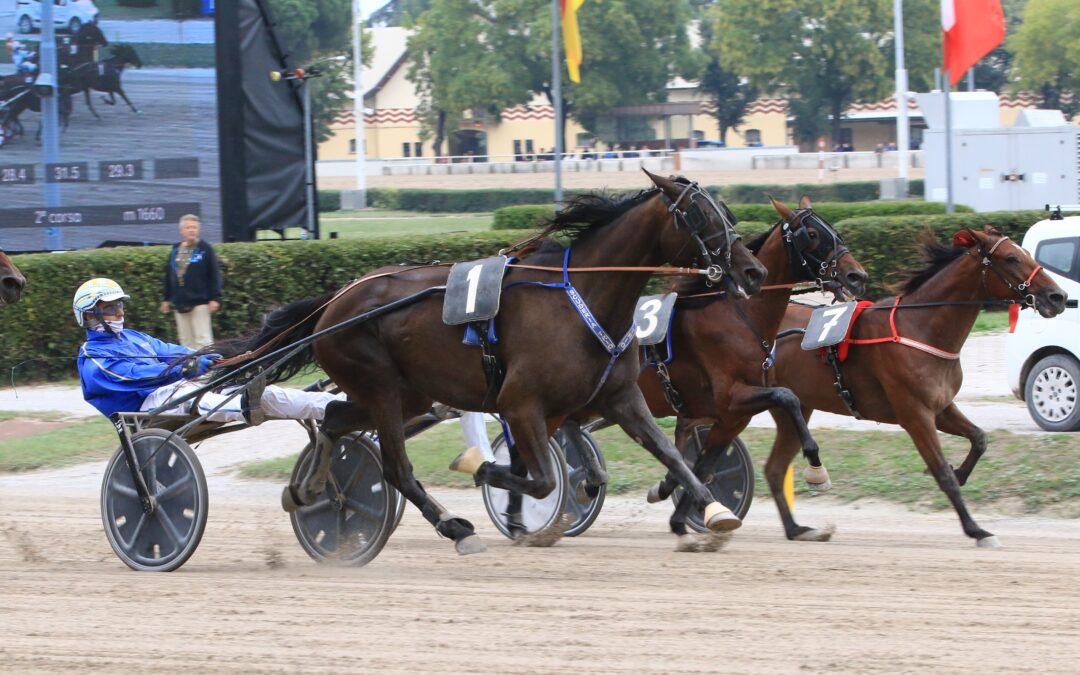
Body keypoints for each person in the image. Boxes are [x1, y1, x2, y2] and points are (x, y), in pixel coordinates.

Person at [76, 278, 340, 424]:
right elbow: (131, 375)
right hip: (144, 406)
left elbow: (169, 350)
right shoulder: (91, 356)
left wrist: (200, 358)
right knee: (190, 392)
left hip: (171, 392)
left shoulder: (134, 337)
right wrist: (181, 370)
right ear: (90, 315)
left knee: (265, 394)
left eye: (120, 306)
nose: (119, 312)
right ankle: (245, 407)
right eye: (110, 308)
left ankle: (336, 407)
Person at [161, 214, 222, 349]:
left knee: (203, 339)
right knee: (185, 342)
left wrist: (215, 297)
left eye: (194, 227)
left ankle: (208, 369)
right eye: (188, 227)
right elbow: (169, 274)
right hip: (180, 302)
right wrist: (166, 298)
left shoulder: (205, 249)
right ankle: (190, 368)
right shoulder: (175, 250)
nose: (191, 230)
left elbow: (214, 273)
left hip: (200, 300)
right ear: (182, 230)